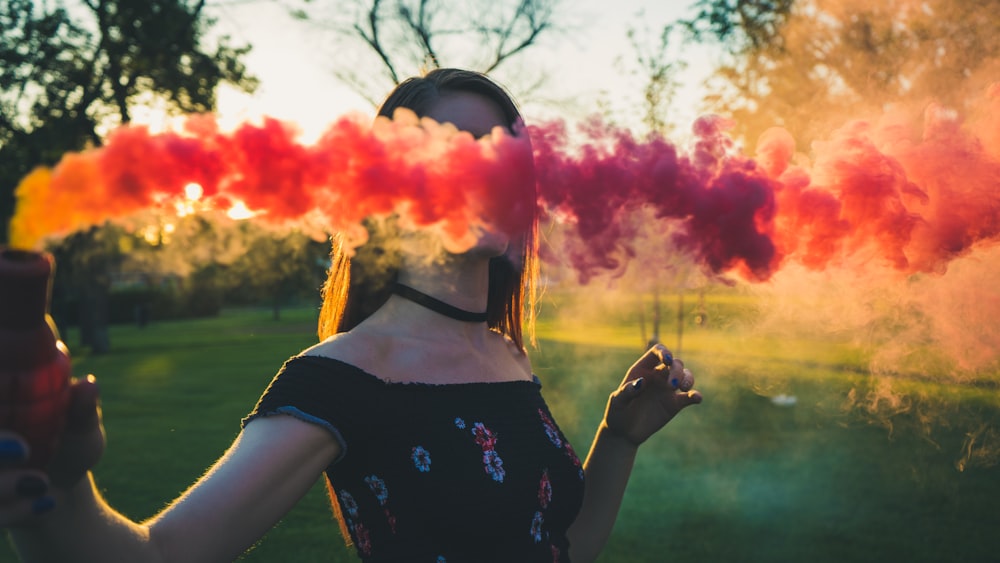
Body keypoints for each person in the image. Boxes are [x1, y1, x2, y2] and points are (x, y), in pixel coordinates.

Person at [1, 68, 702, 562]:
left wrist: (618, 438)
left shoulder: (505, 355)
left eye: (508, 158)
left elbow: (562, 546)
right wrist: (62, 482)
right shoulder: (343, 378)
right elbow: (158, 555)